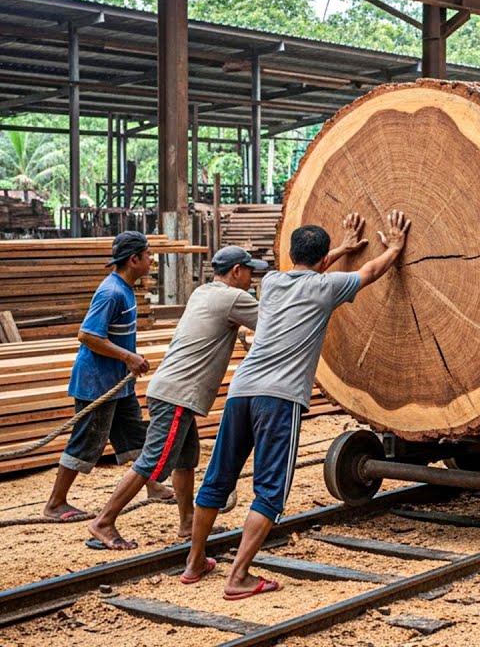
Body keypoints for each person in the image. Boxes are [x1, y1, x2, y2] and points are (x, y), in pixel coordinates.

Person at [183, 211, 411, 598]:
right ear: (323, 259)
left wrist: (341, 246)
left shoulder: (271, 282)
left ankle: (194, 563)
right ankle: (238, 577)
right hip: (280, 397)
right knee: (270, 490)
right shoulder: (327, 288)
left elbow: (312, 268)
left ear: (291, 254)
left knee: (218, 477)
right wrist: (395, 248)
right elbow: (371, 272)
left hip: (242, 390)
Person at [85, 246, 265, 551]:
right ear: (236, 271)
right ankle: (103, 521)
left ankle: (187, 522)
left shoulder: (203, 292)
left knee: (185, 458)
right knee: (152, 460)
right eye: (250, 271)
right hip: (178, 396)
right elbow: (274, 322)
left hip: (171, 390)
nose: (252, 277)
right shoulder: (233, 297)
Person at [44, 231, 173, 521]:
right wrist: (128, 357)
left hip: (117, 383)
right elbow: (87, 335)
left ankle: (153, 485)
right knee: (86, 442)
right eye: (148, 255)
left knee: (134, 436)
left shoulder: (125, 289)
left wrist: (127, 361)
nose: (151, 261)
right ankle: (55, 503)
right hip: (97, 385)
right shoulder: (111, 292)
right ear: (134, 259)